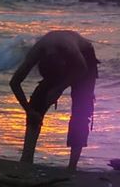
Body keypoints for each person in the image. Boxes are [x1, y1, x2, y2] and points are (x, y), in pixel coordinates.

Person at [9, 30, 98, 171]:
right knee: (37, 104)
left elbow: (82, 69)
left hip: (84, 60)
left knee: (81, 110)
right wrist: (29, 110)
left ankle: (72, 166)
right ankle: (26, 158)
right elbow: (14, 83)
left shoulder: (69, 49)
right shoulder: (36, 52)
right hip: (56, 64)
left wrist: (59, 89)